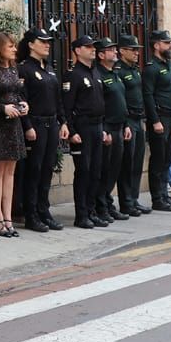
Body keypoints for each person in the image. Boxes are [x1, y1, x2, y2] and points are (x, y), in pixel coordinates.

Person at [18, 29, 62, 231]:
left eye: (48, 41)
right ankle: (31, 213)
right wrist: (27, 125)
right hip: (35, 124)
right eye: (42, 41)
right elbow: (21, 99)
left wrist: (63, 123)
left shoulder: (50, 68)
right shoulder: (25, 69)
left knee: (47, 169)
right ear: (30, 44)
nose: (47, 45)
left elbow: (57, 97)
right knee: (33, 170)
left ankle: (44, 210)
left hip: (51, 123)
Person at [62, 35, 107, 228]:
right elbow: (66, 106)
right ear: (77, 50)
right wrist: (72, 131)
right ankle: (81, 215)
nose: (93, 50)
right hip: (82, 127)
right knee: (84, 171)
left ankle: (91, 210)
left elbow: (101, 103)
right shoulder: (73, 74)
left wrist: (103, 129)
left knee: (96, 171)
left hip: (97, 126)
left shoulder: (95, 72)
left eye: (93, 47)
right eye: (88, 47)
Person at [0, 31, 27, 236]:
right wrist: (4, 109)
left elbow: (18, 92)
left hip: (15, 123)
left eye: (14, 46)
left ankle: (8, 216)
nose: (14, 49)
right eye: (10, 46)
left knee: (10, 171)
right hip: (0, 122)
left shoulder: (14, 69)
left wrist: (23, 104)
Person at [142, 31, 171, 211]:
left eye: (170, 42)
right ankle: (157, 198)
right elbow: (148, 96)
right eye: (166, 43)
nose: (170, 46)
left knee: (168, 159)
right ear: (156, 45)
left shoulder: (168, 65)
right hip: (161, 118)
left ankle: (165, 194)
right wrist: (155, 120)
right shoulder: (151, 68)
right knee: (158, 159)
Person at [93, 38, 131, 221]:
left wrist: (126, 125)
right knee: (104, 170)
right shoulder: (98, 75)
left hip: (119, 126)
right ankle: (101, 206)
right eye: (110, 50)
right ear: (101, 55)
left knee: (114, 169)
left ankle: (107, 203)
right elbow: (99, 105)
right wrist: (104, 129)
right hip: (107, 128)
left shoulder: (115, 73)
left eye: (115, 49)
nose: (115, 52)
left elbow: (121, 102)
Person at [115, 34, 150, 215]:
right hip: (128, 120)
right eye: (132, 49)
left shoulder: (135, 70)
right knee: (127, 163)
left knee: (137, 161)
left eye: (137, 50)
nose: (136, 53)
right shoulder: (118, 70)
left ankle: (134, 198)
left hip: (138, 119)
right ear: (121, 51)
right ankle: (126, 201)